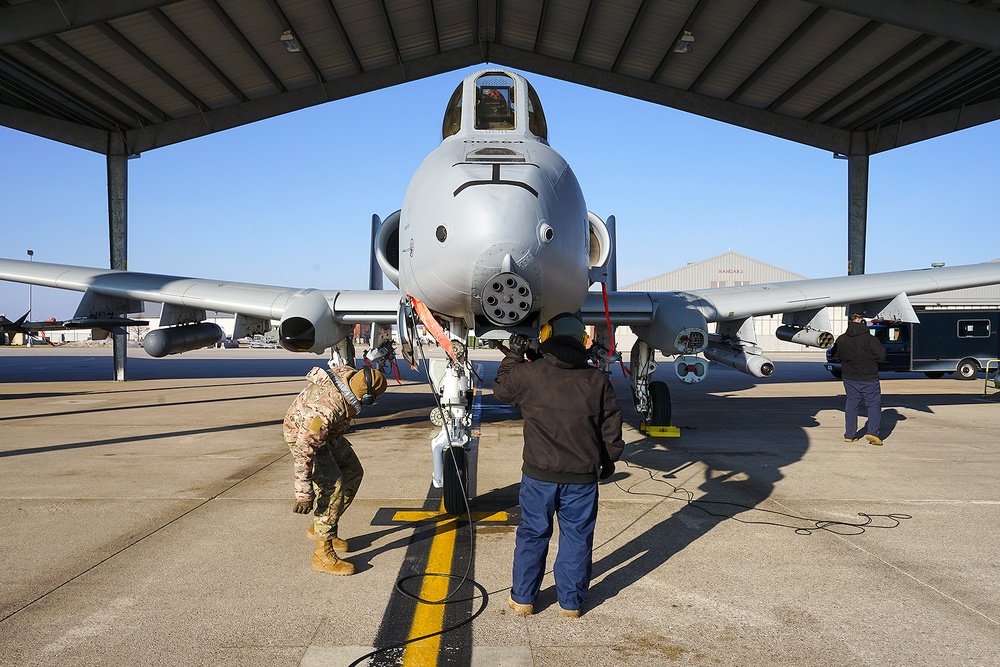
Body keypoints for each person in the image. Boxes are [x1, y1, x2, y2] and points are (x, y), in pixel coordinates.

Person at [493, 312, 624, 617]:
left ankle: (523, 599)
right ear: (582, 341)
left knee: (532, 533)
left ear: (548, 336)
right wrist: (609, 461)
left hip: (538, 475)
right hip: (581, 478)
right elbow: (610, 428)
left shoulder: (530, 373)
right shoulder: (596, 380)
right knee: (577, 538)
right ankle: (571, 603)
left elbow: (501, 389)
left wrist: (514, 354)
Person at [283, 362, 388, 575]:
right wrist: (303, 492)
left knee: (352, 471)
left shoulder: (349, 378)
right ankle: (322, 555)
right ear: (366, 397)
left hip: (328, 435)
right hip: (304, 437)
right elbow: (305, 446)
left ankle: (321, 528)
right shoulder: (325, 410)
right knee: (333, 487)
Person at [829, 313, 886, 446]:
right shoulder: (870, 339)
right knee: (873, 405)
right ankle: (872, 432)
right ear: (862, 322)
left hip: (849, 377)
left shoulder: (842, 339)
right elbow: (881, 356)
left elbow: (835, 356)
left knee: (852, 405)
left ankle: (849, 435)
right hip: (869, 377)